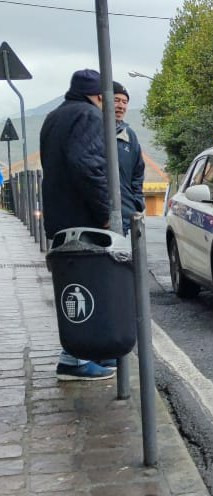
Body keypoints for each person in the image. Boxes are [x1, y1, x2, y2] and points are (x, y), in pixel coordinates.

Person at [39, 69, 115, 382]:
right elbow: (88, 166)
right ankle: (75, 359)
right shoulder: (88, 116)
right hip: (82, 220)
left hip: (60, 217)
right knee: (86, 288)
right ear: (99, 96)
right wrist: (105, 212)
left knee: (77, 286)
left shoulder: (54, 117)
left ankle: (88, 350)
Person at [112, 82, 145, 238]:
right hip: (99, 217)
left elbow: (138, 172)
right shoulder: (93, 130)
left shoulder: (129, 136)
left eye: (124, 102)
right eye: (116, 100)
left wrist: (137, 202)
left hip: (125, 216)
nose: (121, 106)